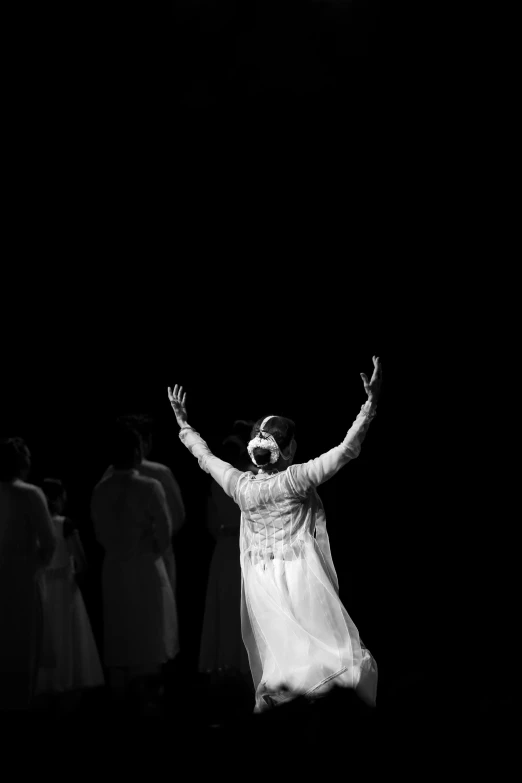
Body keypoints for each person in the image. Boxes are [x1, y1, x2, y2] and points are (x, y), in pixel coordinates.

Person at [167, 356, 382, 713]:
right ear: (289, 448)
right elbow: (346, 450)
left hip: (261, 581)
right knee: (324, 661)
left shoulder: (241, 486)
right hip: (300, 575)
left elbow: (205, 458)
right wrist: (370, 404)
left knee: (285, 666)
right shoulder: (295, 480)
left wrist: (184, 426)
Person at [91, 423, 178, 711]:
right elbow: (165, 532)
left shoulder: (100, 488)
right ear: (137, 450)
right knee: (148, 628)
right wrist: (149, 545)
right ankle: (149, 700)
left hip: (114, 568)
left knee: (121, 629)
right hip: (145, 567)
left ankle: (121, 700)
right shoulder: (150, 485)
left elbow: (99, 533)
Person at [101, 414, 185, 598]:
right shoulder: (159, 474)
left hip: (117, 559)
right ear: (143, 442)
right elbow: (177, 517)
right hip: (154, 557)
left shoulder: (108, 476)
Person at [0, 437, 57, 710]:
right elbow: (49, 542)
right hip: (22, 583)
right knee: (24, 653)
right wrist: (33, 566)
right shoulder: (30, 494)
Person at [35, 478, 104, 699]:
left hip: (43, 587)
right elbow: (82, 561)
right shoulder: (65, 524)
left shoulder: (34, 525)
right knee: (67, 636)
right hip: (65, 587)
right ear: (57, 499)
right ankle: (66, 683)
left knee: (47, 635)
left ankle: (45, 684)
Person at [199, 423, 256, 687]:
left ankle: (229, 663)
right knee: (245, 605)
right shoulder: (254, 478)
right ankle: (246, 664)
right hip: (247, 547)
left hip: (225, 548)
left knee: (227, 606)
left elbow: (211, 524)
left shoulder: (218, 480)